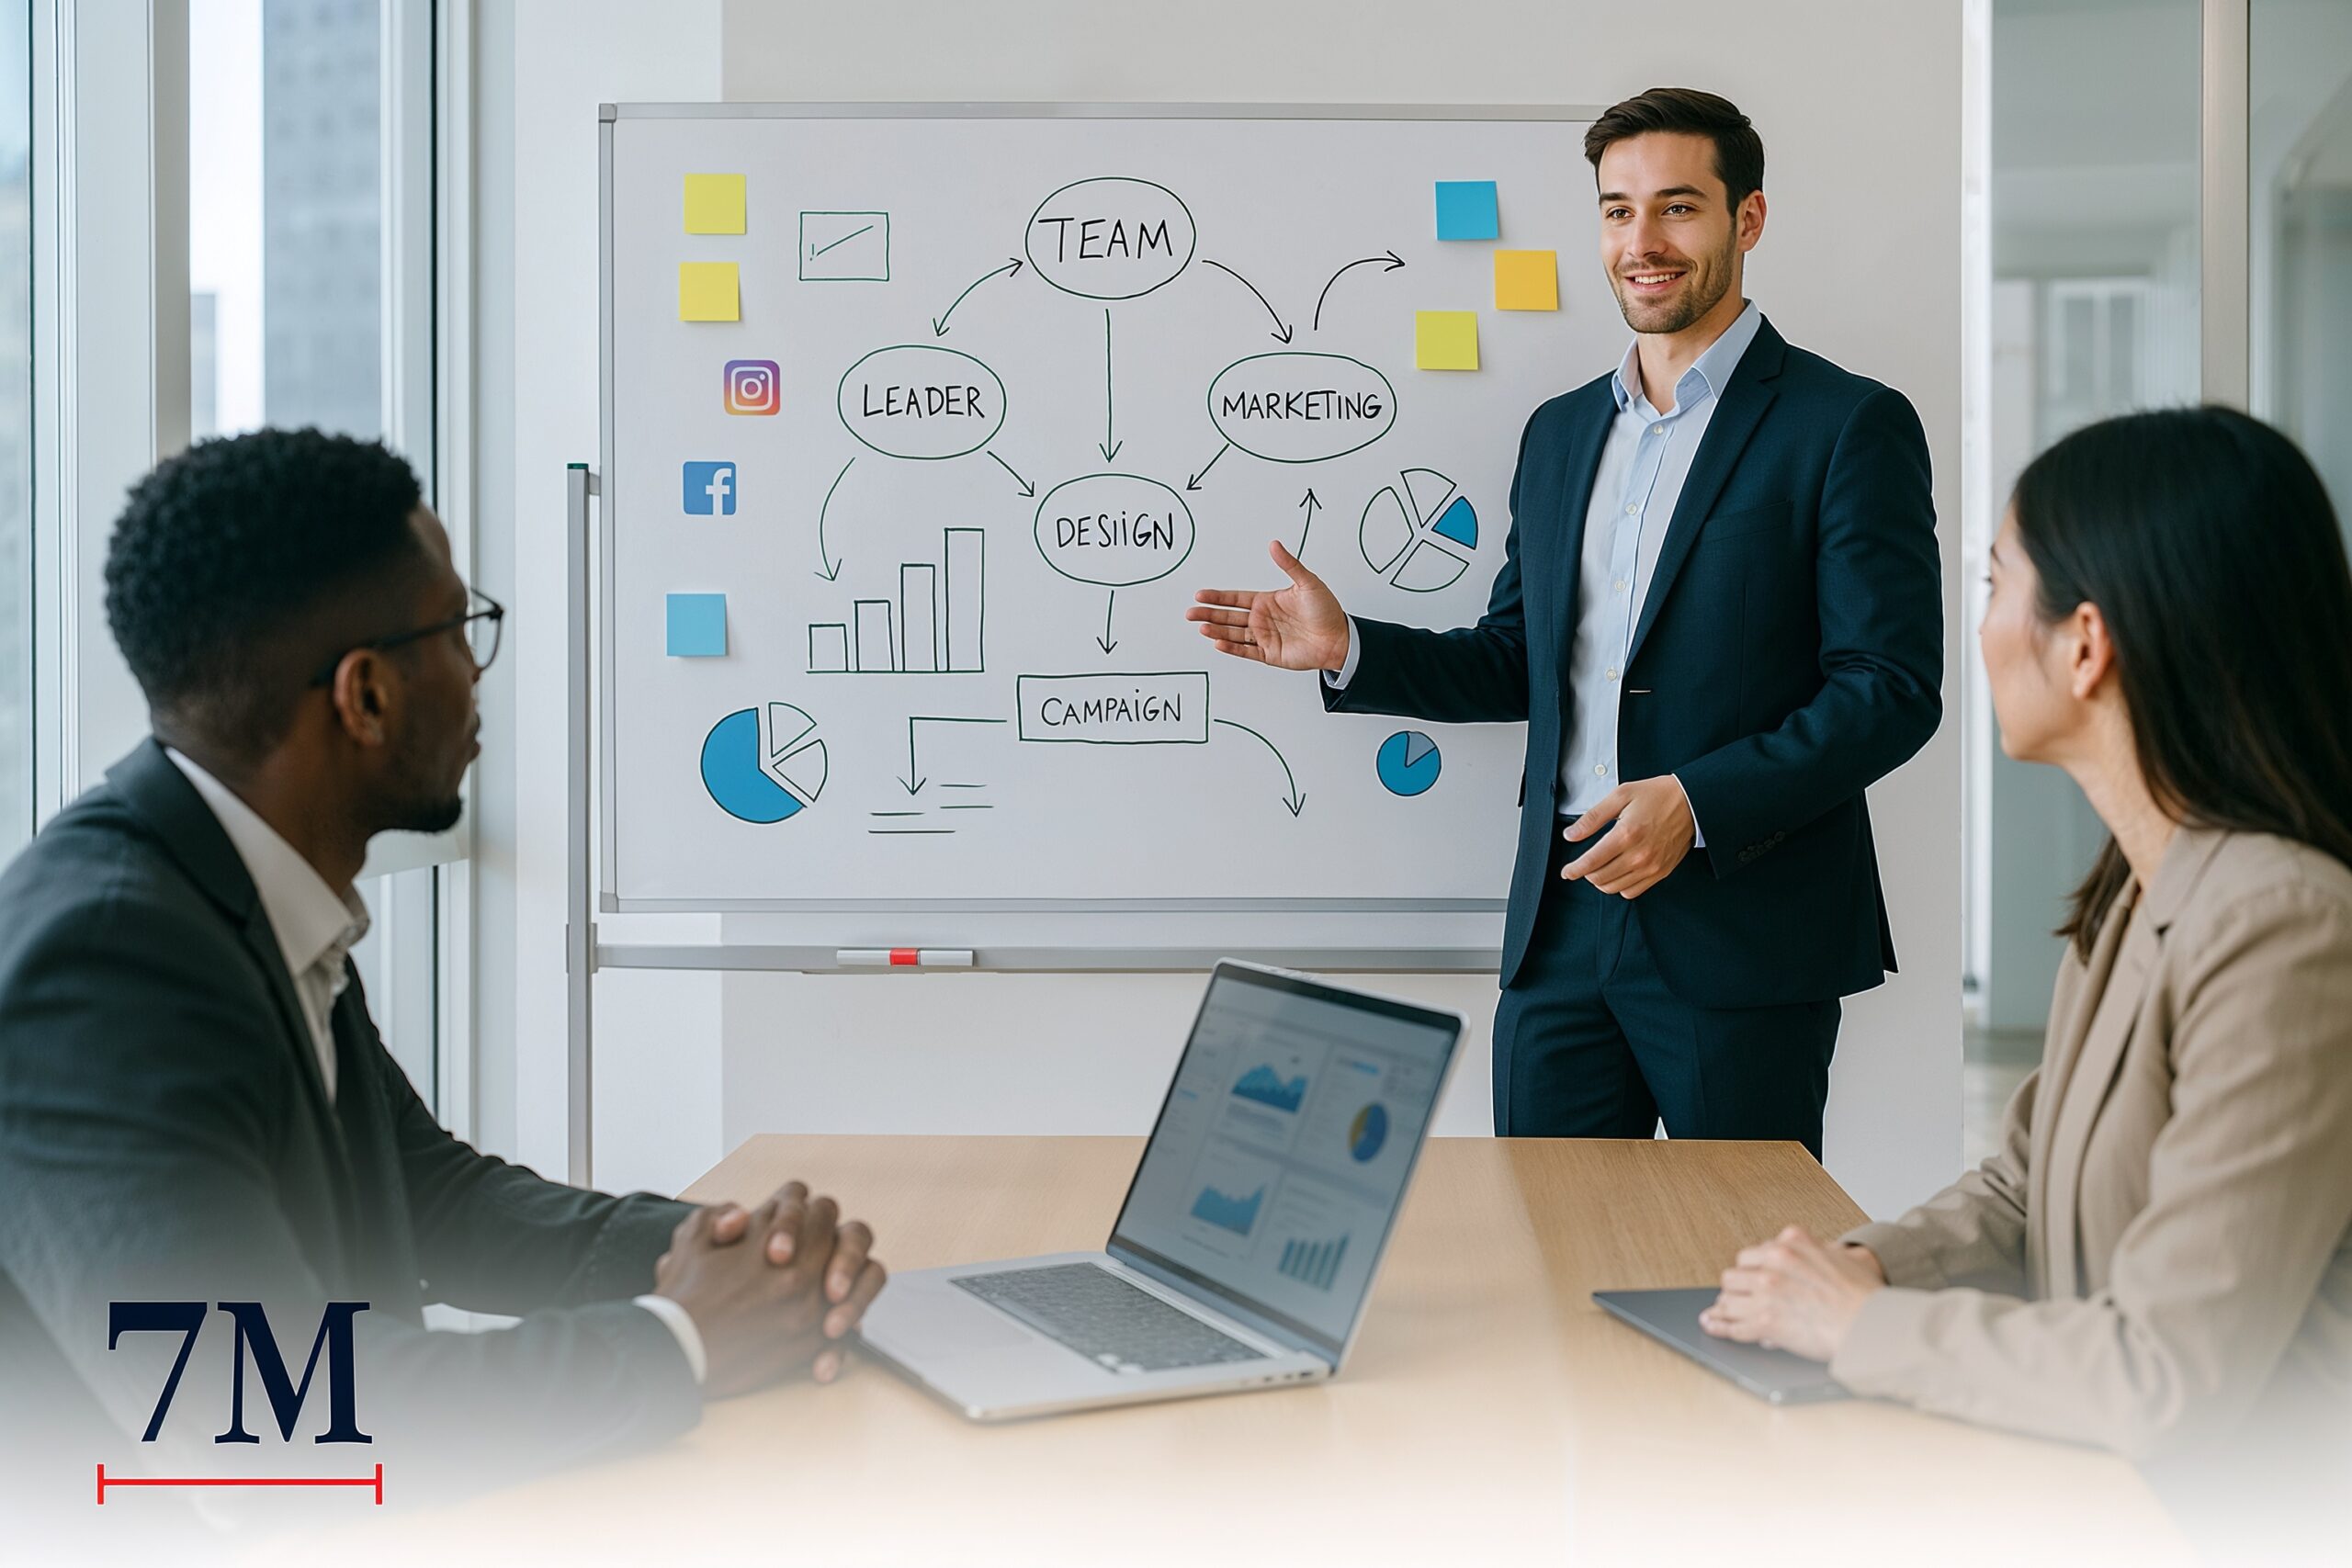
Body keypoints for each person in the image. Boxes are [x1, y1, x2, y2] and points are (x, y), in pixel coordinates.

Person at [0, 429, 887, 1509]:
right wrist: (683, 1338)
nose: (474, 675)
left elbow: (432, 1199)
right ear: (365, 697)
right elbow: (264, 1424)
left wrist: (744, 1256)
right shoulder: (105, 965)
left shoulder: (240, 887)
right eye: (460, 631)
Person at [1189, 88, 1941, 1154]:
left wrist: (1697, 802)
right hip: (1559, 927)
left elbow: (1890, 689)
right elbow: (1517, 662)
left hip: (1738, 925)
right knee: (1545, 1257)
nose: (1643, 242)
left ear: (1749, 220)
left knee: (1733, 1272)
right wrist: (1348, 646)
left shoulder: (1844, 424)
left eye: (1677, 208)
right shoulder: (1558, 433)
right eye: (1616, 210)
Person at [1702, 408, 2352, 1532]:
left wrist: (1858, 1328)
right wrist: (1837, 1272)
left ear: (2084, 644)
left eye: (1998, 584)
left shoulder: (2284, 926)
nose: (1983, 623)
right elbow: (2019, 1185)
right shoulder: (2142, 882)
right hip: (2099, 1478)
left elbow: (2165, 1371)